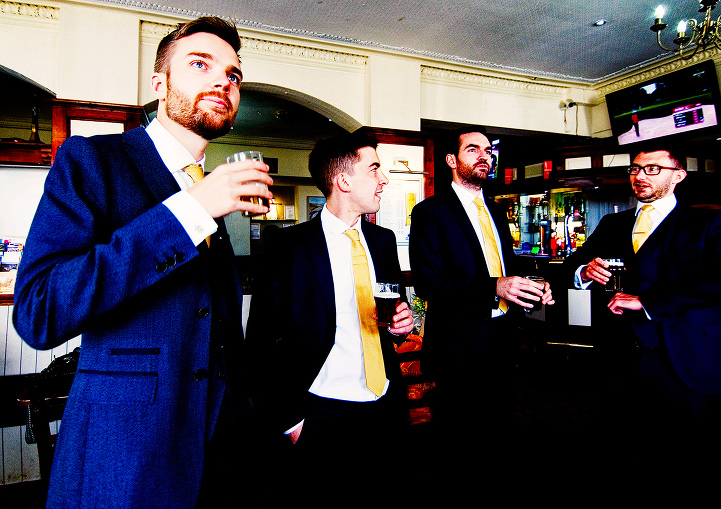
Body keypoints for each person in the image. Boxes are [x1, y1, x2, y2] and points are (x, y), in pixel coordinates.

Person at [13, 17, 271, 509]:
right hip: (127, 458)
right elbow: (39, 310)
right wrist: (189, 211)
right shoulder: (92, 160)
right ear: (160, 85)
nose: (223, 81)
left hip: (222, 458)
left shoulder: (213, 184)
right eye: (200, 64)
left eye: (234, 75)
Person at [246, 133, 413, 507]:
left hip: (385, 406)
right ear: (344, 181)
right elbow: (259, 343)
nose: (383, 179)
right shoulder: (288, 248)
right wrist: (291, 422)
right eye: (374, 169)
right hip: (321, 414)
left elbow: (394, 316)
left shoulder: (383, 241)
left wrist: (403, 325)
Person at [562, 147, 721, 453]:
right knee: (629, 438)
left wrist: (648, 302)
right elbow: (571, 267)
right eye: (635, 169)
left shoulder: (707, 221)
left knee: (693, 441)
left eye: (652, 169)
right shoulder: (612, 224)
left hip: (689, 354)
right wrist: (585, 270)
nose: (640, 176)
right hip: (621, 356)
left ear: (678, 176)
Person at [408, 127, 553, 488]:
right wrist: (495, 287)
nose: (484, 156)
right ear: (452, 160)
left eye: (488, 150)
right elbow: (429, 283)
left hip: (501, 336)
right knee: (457, 435)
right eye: (473, 149)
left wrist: (533, 285)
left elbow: (504, 268)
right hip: (459, 343)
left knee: (498, 425)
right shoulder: (430, 212)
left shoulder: (497, 211)